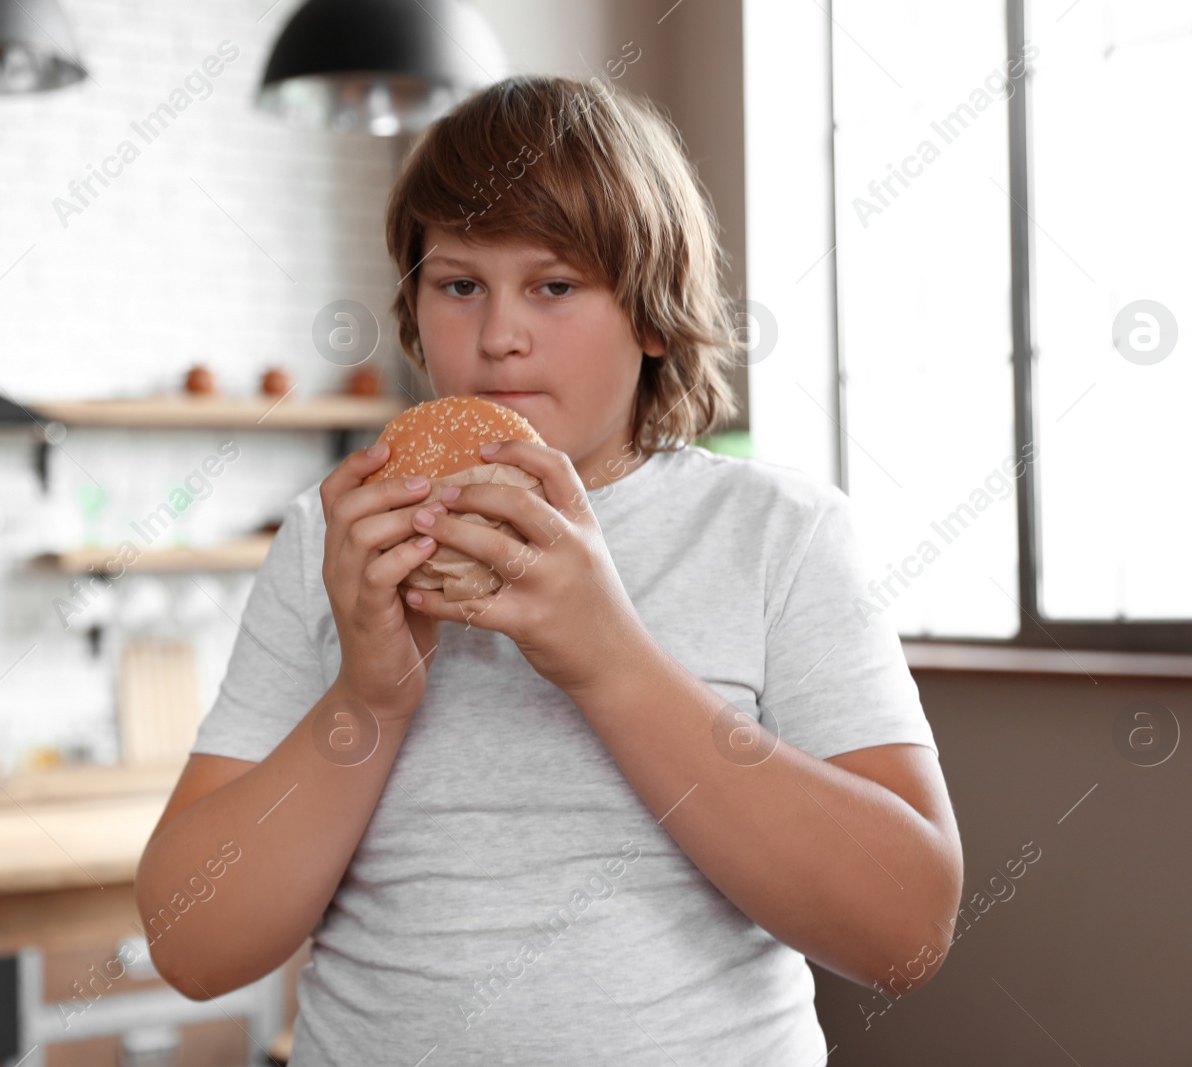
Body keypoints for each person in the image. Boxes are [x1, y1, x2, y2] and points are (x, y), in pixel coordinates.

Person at [135, 74, 963, 1064]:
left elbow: (903, 932)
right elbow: (191, 941)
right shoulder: (333, 537)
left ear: (654, 317)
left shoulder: (777, 535)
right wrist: (372, 693)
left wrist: (606, 657)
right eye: (457, 284)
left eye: (555, 284)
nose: (497, 336)